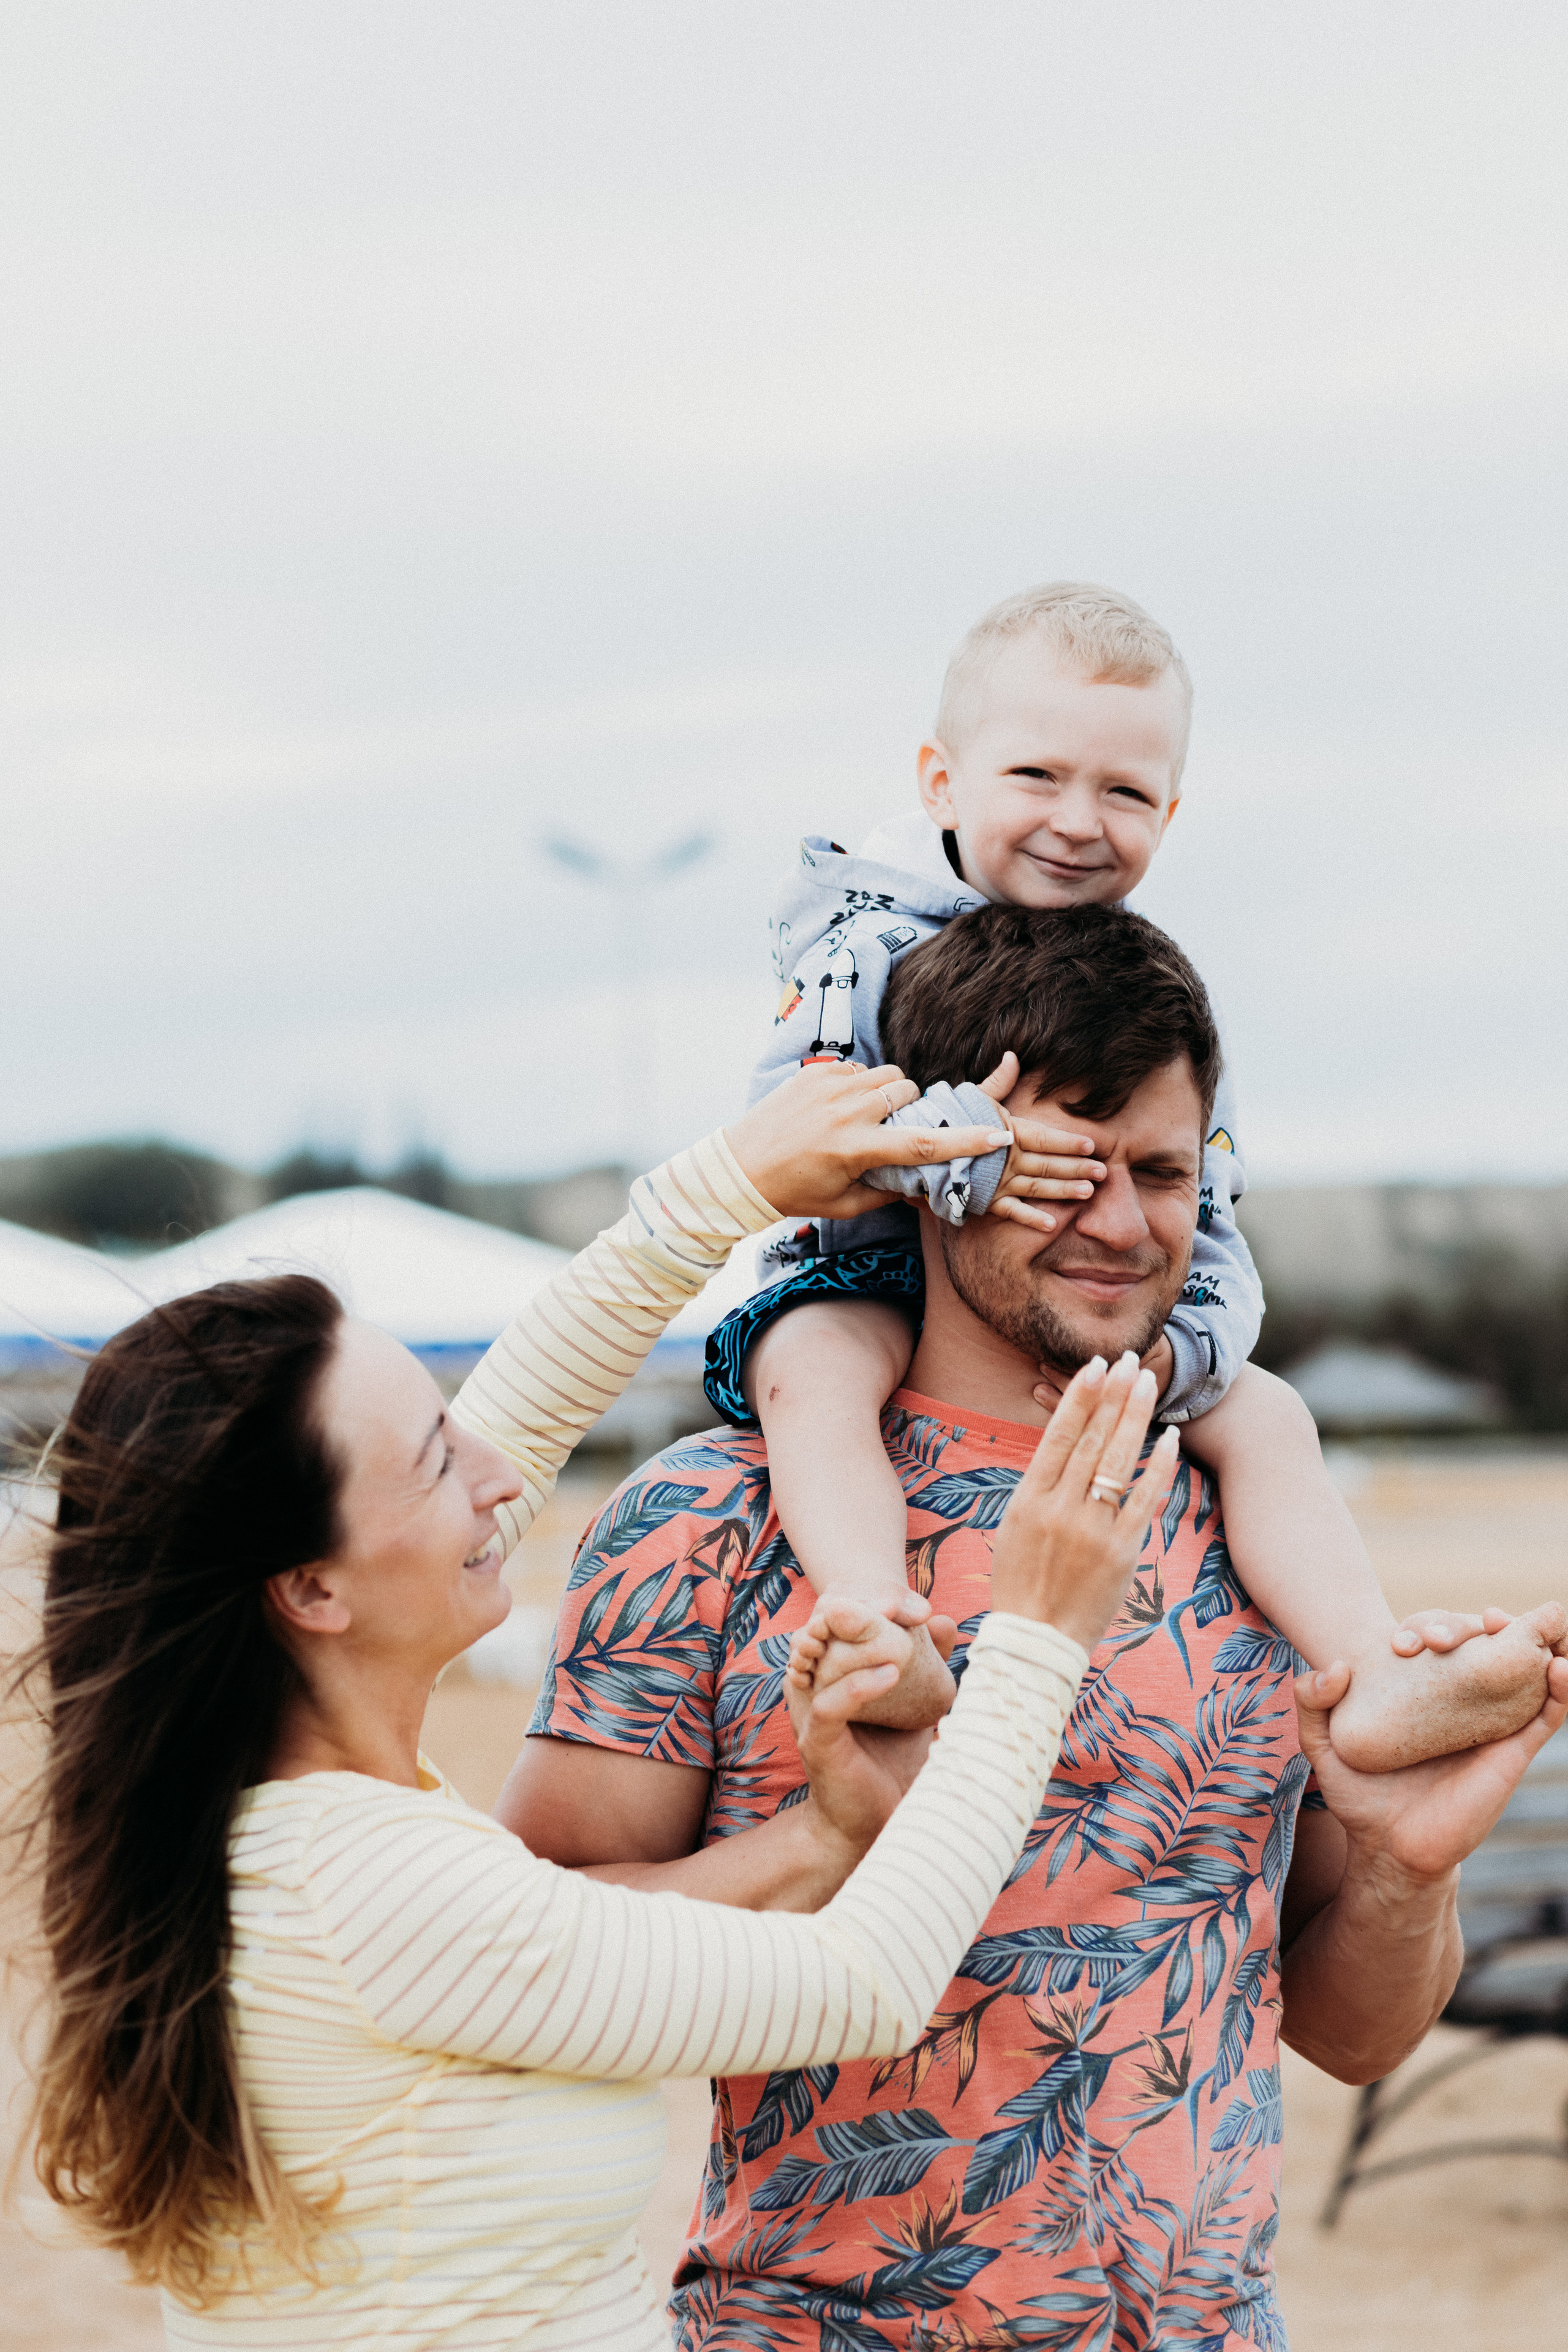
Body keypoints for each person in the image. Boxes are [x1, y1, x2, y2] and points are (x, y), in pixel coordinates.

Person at [508, 907, 1567, 2350]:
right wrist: (825, 1845)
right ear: (938, 1171)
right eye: (1063, 1172)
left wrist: (1398, 1870)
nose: (1123, 1226)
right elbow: (531, 1963)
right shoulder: (712, 1515)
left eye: (1161, 1172)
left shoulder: (1251, 1521)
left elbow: (1350, 2032)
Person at [17, 1061, 1178, 2352]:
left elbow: (551, 1939)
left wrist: (720, 1190)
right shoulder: (368, 1891)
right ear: (312, 1591)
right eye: (435, 1456)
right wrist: (1035, 1633)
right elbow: (864, 1986)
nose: (496, 1471)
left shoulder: (299, 1830)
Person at [704, 580, 1524, 1768]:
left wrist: (1175, 1353)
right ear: (940, 781)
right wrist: (968, 1157)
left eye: (1124, 793)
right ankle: (878, 1624)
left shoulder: (1155, 997)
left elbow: (1215, 1227)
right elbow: (800, 1136)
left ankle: (1367, 1668)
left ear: (1170, 814)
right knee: (812, 1369)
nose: (1077, 822)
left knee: (1268, 1411)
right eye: (1035, 777)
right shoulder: (858, 947)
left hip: (1094, 1343)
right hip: (853, 1274)